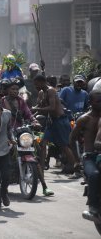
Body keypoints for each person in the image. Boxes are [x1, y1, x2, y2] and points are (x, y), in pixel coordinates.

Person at [32, 74, 78, 174]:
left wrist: (36, 109)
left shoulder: (51, 91)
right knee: (43, 143)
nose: (35, 87)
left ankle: (76, 168)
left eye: (36, 84)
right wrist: (30, 113)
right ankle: (42, 167)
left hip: (60, 121)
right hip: (51, 121)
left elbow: (52, 108)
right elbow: (39, 107)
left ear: (42, 82)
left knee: (64, 146)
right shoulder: (41, 93)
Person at [71, 90, 101, 218]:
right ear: (90, 102)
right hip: (90, 156)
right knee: (94, 175)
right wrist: (76, 160)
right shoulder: (84, 119)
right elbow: (72, 139)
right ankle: (93, 206)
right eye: (98, 101)